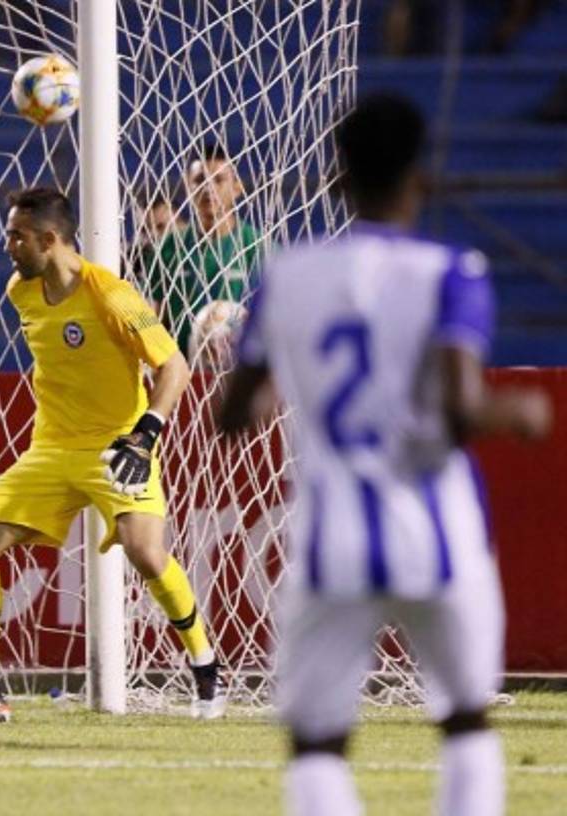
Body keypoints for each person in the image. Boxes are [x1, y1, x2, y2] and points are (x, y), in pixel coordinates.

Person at [217, 94, 552, 816]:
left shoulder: (286, 275)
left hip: (331, 541)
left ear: (339, 180)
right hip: (439, 532)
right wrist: (519, 410)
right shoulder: (451, 271)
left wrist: (267, 377)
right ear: (419, 179)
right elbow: (463, 408)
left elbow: (232, 414)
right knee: (464, 721)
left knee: (316, 743)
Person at [0, 187, 226, 725]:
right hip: (53, 448)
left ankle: (206, 665)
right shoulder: (22, 290)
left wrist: (145, 434)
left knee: (145, 553)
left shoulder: (112, 294)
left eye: (17, 235)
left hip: (118, 446)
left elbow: (174, 367)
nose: (8, 245)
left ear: (49, 239)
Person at [142, 144, 262, 355]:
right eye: (199, 180)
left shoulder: (259, 246)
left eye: (218, 180)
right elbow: (151, 317)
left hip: (242, 372)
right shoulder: (168, 248)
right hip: (184, 373)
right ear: (188, 188)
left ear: (237, 188)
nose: (208, 188)